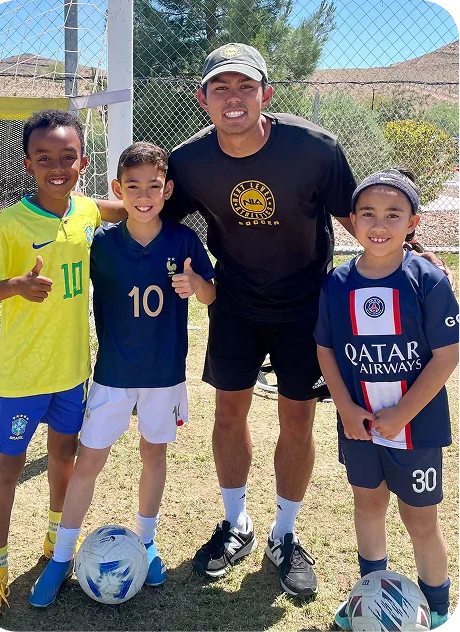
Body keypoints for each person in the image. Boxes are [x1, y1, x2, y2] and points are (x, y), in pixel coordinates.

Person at [157, 42, 360, 597]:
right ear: (203, 99)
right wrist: (69, 216)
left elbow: (357, 219)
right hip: (235, 301)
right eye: (220, 88)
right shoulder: (189, 161)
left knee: (298, 421)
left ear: (266, 94)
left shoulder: (315, 149)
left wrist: (410, 259)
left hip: (305, 304)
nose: (234, 98)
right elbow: (149, 213)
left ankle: (286, 535)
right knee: (229, 414)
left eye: (246, 86)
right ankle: (236, 524)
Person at [27, 142, 216, 607]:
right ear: (117, 190)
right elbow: (57, 251)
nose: (145, 195)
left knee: (155, 457)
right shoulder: (102, 245)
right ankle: (61, 558)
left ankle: (146, 541)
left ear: (168, 189)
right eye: (133, 186)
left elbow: (212, 296)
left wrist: (198, 286)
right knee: (88, 462)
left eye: (154, 186)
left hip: (164, 376)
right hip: (112, 375)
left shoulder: (184, 240)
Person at [0, 109, 121, 624]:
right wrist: (14, 286)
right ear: (27, 164)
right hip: (22, 378)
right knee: (7, 471)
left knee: (65, 455)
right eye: (45, 159)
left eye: (67, 157)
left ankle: (57, 539)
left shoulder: (85, 211)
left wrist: (154, 200)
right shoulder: (11, 224)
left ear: (82, 162)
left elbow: (129, 209)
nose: (57, 167)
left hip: (72, 372)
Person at [314, 168, 459, 630]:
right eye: (369, 214)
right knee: (368, 507)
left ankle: (437, 612)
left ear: (413, 223)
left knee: (420, 522)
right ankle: (370, 600)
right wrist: (345, 407)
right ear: (352, 221)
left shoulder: (428, 280)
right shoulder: (337, 283)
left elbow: (447, 354)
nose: (380, 224)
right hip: (360, 425)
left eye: (393, 214)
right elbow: (327, 349)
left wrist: (403, 412)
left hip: (414, 428)